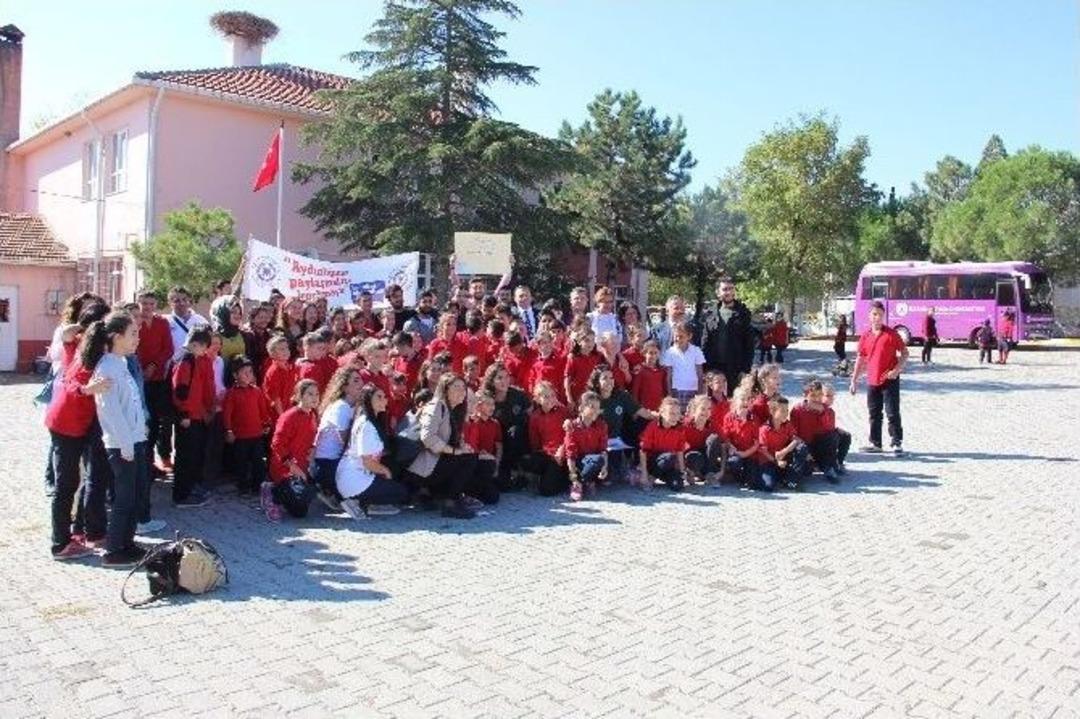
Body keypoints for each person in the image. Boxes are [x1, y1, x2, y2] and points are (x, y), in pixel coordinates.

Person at [44, 305, 114, 560]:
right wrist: (87, 390)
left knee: (79, 481)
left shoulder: (78, 350)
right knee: (66, 485)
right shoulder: (90, 364)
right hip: (66, 426)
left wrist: (84, 329)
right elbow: (74, 386)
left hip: (71, 426)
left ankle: (79, 532)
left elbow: (66, 335)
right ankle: (60, 544)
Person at [89, 311, 151, 567]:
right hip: (121, 444)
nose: (137, 338)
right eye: (133, 333)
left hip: (135, 439)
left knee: (136, 494)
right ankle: (114, 550)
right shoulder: (107, 367)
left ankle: (128, 542)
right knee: (124, 498)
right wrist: (126, 443)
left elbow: (131, 404)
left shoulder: (122, 362)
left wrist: (141, 430)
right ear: (116, 337)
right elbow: (111, 412)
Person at [405, 374, 478, 519]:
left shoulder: (455, 410)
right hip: (424, 466)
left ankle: (449, 496)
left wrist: (462, 447)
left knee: (470, 457)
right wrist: (454, 451)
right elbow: (427, 437)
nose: (461, 391)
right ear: (445, 389)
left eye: (463, 387)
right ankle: (449, 503)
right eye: (456, 387)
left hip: (439, 460)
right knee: (467, 459)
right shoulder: (436, 406)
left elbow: (453, 438)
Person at [336, 384, 410, 519]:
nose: (384, 400)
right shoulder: (367, 425)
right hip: (354, 479)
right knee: (401, 493)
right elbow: (367, 461)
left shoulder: (369, 420)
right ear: (368, 400)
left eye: (385, 397)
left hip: (355, 475)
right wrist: (385, 471)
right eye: (379, 397)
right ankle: (360, 502)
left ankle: (366, 501)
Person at [849, 300, 908, 456]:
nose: (877, 318)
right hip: (872, 380)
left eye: (880, 315)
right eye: (875, 314)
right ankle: (876, 443)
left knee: (892, 411)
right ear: (869, 316)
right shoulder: (865, 336)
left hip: (889, 380)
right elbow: (860, 359)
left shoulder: (891, 334)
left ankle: (896, 443)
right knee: (874, 413)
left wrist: (896, 370)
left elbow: (905, 353)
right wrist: (854, 380)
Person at [264, 379, 320, 522]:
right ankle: (271, 493)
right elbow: (276, 444)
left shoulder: (312, 415)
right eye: (310, 394)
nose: (314, 397)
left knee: (301, 511)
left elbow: (310, 439)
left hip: (301, 467)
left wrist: (312, 450)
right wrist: (292, 466)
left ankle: (287, 494)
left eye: (316, 394)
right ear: (299, 396)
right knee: (299, 508)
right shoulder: (289, 416)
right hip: (284, 467)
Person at [171, 327, 215, 507]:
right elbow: (179, 390)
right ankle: (182, 496)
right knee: (185, 457)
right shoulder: (185, 358)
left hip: (194, 414)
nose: (204, 353)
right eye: (204, 349)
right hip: (187, 416)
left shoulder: (189, 357)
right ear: (197, 344)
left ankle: (189, 489)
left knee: (193, 454)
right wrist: (184, 413)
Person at [589, 367, 655, 484]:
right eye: (605, 378)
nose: (610, 381)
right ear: (597, 383)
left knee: (613, 476)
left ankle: (636, 462)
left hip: (615, 442)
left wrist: (664, 416)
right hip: (595, 443)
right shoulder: (591, 398)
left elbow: (643, 413)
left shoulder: (621, 395)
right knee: (604, 477)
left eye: (611, 378)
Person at [134, 290, 173, 477]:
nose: (147, 307)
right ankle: (142, 464)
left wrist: (154, 365)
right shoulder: (134, 323)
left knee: (156, 421)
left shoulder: (162, 323)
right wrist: (142, 368)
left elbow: (168, 348)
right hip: (138, 379)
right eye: (144, 303)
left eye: (151, 303)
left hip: (158, 379)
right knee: (142, 421)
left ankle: (151, 462)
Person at [222, 356, 272, 496]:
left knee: (258, 462)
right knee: (241, 463)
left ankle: (259, 487)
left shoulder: (256, 391)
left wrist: (266, 423)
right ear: (235, 375)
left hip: (256, 434)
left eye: (250, 372)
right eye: (245, 372)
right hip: (240, 436)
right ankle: (243, 487)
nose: (249, 375)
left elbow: (263, 409)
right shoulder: (231, 393)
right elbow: (227, 414)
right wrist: (229, 430)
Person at [701, 279, 754, 395]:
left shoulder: (743, 314)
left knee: (733, 402)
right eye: (725, 289)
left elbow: (749, 345)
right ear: (718, 292)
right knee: (714, 403)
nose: (728, 292)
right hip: (714, 367)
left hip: (736, 368)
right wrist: (705, 368)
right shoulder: (710, 314)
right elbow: (705, 343)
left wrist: (745, 370)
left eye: (731, 289)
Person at [485, 362, 531, 491]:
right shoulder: (486, 397)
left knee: (515, 431)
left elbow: (531, 414)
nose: (504, 381)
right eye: (499, 378)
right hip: (494, 443)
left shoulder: (518, 395)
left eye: (506, 377)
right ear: (491, 380)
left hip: (515, 442)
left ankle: (516, 469)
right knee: (502, 486)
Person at [525, 381, 571, 496]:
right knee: (527, 462)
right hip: (547, 454)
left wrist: (562, 450)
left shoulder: (563, 412)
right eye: (546, 396)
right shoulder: (535, 417)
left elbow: (570, 435)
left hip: (562, 453)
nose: (550, 399)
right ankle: (549, 474)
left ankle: (565, 479)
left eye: (552, 396)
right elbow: (534, 441)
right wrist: (540, 453)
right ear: (537, 399)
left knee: (546, 491)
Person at [563, 392, 609, 501]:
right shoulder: (572, 426)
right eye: (592, 407)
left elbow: (603, 450)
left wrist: (604, 468)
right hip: (577, 463)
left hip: (592, 460)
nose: (595, 411)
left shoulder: (602, 425)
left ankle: (588, 481)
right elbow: (570, 455)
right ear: (581, 408)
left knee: (601, 461)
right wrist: (574, 479)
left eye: (598, 408)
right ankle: (576, 485)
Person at [757, 396, 810, 492]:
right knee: (768, 486)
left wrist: (784, 451)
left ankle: (791, 480)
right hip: (769, 461)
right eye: (782, 411)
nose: (786, 414)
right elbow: (763, 451)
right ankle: (781, 477)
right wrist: (776, 461)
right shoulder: (764, 429)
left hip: (784, 458)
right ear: (772, 412)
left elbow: (796, 439)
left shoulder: (787, 424)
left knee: (802, 448)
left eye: (787, 410)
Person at [637, 397, 688, 491]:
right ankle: (649, 478)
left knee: (678, 486)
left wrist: (682, 471)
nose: (675, 417)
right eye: (671, 413)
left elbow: (680, 451)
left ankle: (662, 477)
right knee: (669, 457)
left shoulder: (680, 428)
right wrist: (644, 474)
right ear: (662, 413)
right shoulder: (652, 426)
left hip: (669, 464)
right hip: (653, 462)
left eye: (677, 414)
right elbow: (643, 451)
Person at [463, 392, 502, 505]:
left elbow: (499, 446)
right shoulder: (472, 421)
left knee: (494, 497)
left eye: (493, 404)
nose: (492, 407)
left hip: (488, 463)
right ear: (478, 406)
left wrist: (497, 465)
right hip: (474, 461)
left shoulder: (495, 423)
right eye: (488, 404)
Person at [722, 387, 764, 489]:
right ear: (735, 401)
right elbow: (726, 438)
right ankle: (736, 476)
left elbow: (757, 442)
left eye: (749, 399)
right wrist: (732, 448)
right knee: (734, 463)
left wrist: (745, 454)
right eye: (742, 399)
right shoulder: (729, 417)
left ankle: (747, 476)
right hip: (735, 453)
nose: (746, 402)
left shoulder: (754, 419)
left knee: (753, 483)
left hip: (751, 454)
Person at [661, 321, 705, 413]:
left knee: (691, 415)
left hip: (693, 390)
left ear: (689, 336)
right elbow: (669, 376)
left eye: (681, 336)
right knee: (677, 416)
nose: (677, 339)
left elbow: (700, 375)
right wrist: (670, 394)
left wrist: (700, 394)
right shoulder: (670, 352)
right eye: (675, 336)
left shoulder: (696, 351)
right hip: (676, 390)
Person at [683, 394, 726, 486]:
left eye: (709, 409)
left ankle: (709, 474)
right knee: (695, 457)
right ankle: (692, 473)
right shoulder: (685, 425)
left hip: (708, 456)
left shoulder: (713, 425)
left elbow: (723, 446)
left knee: (714, 439)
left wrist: (722, 471)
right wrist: (683, 469)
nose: (706, 412)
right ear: (694, 410)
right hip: (692, 456)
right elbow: (677, 448)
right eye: (702, 409)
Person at [164, 286, 209, 367]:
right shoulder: (165, 321)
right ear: (170, 303)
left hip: (197, 367)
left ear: (189, 300)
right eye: (177, 301)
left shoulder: (201, 320)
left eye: (184, 299)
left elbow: (208, 345)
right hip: (174, 367)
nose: (182, 303)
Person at [564, 329, 603, 406]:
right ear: (579, 342)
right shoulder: (573, 358)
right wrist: (569, 398)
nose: (590, 343)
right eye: (587, 340)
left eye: (592, 340)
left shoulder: (597, 356)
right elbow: (567, 380)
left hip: (593, 394)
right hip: (577, 395)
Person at [263, 336, 298, 420]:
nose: (286, 351)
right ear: (272, 354)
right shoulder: (274, 372)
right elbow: (276, 399)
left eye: (286, 348)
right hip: (278, 414)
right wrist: (282, 417)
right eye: (281, 349)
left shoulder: (290, 367)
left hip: (290, 409)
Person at [821, 384, 852, 472]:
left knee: (845, 435)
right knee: (833, 438)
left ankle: (839, 461)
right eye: (827, 396)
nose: (831, 398)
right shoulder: (818, 409)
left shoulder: (831, 411)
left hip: (829, 434)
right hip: (820, 438)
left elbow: (831, 427)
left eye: (832, 396)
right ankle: (831, 464)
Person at [631, 339, 667, 413]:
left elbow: (664, 390)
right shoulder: (640, 369)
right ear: (644, 353)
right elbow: (635, 391)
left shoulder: (662, 371)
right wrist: (635, 409)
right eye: (650, 353)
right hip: (645, 410)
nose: (653, 356)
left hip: (659, 409)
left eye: (655, 353)